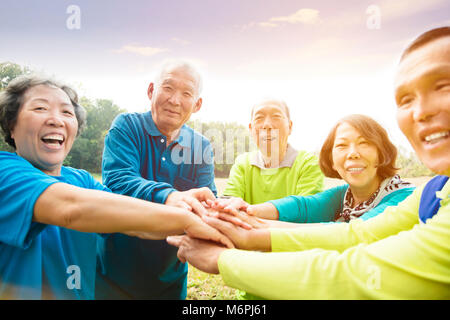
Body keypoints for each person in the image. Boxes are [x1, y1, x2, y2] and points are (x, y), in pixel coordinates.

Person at [168, 26, 450, 299]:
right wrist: (240, 218)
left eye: (443, 86)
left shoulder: (403, 195)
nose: (422, 111)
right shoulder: (429, 189)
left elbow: (352, 269)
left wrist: (225, 257)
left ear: (383, 152)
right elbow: (326, 219)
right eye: (406, 99)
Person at [0, 75, 232, 299]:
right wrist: (187, 218)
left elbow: (133, 223)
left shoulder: (82, 180)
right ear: (11, 125)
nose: (56, 119)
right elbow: (72, 209)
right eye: (40, 108)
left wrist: (220, 222)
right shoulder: (5, 170)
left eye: (67, 112)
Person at [96, 60, 218, 299]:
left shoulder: (201, 145)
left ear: (197, 104)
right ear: (152, 91)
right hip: (112, 275)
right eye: (168, 88)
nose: (174, 100)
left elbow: (207, 202)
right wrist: (170, 196)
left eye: (186, 93)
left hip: (169, 279)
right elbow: (118, 180)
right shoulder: (127, 127)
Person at [227, 114, 414, 225]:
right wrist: (248, 210)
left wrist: (256, 230)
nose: (353, 153)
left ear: (382, 154)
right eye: (341, 146)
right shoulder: (344, 196)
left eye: (364, 143)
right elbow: (303, 206)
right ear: (332, 161)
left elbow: (352, 233)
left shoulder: (404, 197)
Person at [219, 99, 324, 211]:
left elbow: (306, 213)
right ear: (251, 129)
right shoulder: (242, 164)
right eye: (259, 118)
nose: (267, 125)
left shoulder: (308, 164)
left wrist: (249, 212)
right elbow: (229, 205)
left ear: (290, 126)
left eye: (276, 116)